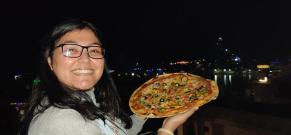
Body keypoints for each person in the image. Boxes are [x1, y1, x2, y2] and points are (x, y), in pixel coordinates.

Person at [18, 19, 198, 135]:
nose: (85, 59)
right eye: (71, 50)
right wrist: (167, 130)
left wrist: (147, 109)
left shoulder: (85, 100)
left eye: (94, 50)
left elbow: (119, 132)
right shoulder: (65, 123)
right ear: (50, 61)